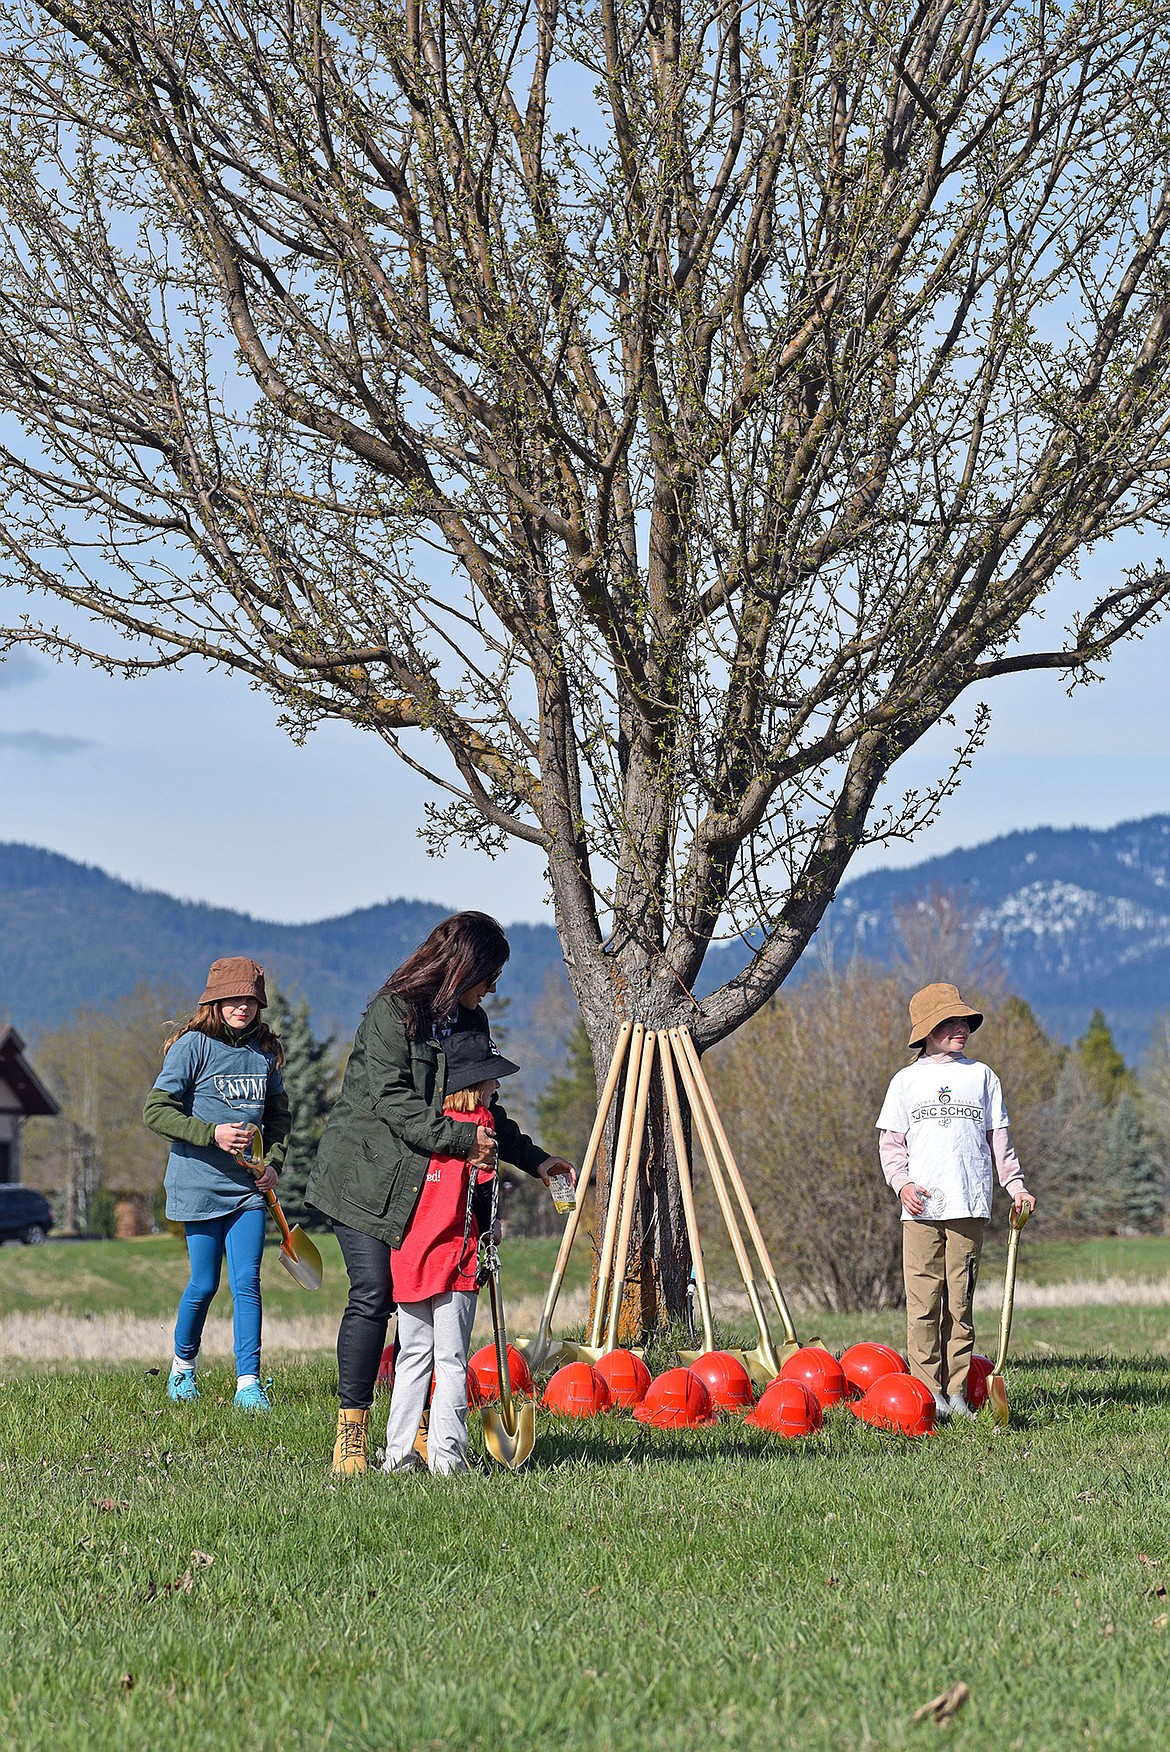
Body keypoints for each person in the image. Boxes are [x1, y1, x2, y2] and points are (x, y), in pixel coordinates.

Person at [306, 910, 576, 1476]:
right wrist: (460, 1141)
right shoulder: (392, 1014)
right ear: (463, 966)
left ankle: (423, 1435)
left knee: (426, 1323)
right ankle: (352, 1435)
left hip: (427, 1186)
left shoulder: (469, 1021)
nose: (494, 987)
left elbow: (482, 1107)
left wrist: (533, 1158)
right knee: (375, 1295)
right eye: (489, 973)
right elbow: (391, 1099)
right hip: (365, 1177)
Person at [876, 982, 1036, 1421]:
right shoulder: (905, 1081)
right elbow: (891, 1146)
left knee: (959, 1303)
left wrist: (1016, 1186)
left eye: (964, 1020)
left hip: (969, 1207)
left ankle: (957, 1392)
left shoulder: (982, 1077)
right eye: (950, 1021)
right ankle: (927, 1395)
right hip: (920, 1212)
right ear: (928, 1030)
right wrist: (902, 1185)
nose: (962, 1027)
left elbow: (998, 1142)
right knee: (923, 1303)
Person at [144, 957, 290, 1412]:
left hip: (247, 1191)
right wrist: (212, 1134)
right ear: (215, 999)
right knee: (204, 1284)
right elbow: (156, 1111)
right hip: (198, 1187)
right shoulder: (192, 1047)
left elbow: (280, 1116)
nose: (242, 1006)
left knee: (247, 1282)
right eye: (233, 998)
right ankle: (182, 1369)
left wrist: (275, 1164)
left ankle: (249, 1382)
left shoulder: (265, 1052)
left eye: (250, 998)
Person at [382, 1028, 518, 1477]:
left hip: (409, 1257)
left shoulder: (422, 1124)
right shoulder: (481, 1129)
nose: (498, 1086)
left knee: (412, 1358)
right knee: (452, 1360)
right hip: (456, 1257)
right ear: (476, 1083)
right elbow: (483, 1195)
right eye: (492, 1079)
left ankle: (397, 1456)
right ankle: (447, 1459)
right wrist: (492, 1228)